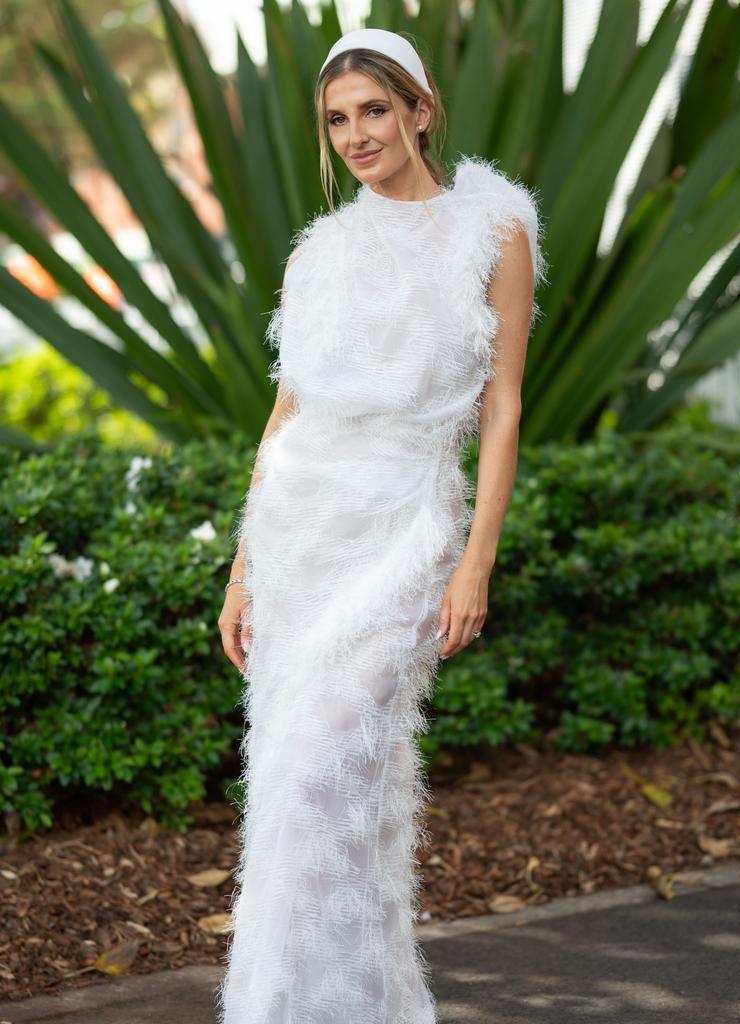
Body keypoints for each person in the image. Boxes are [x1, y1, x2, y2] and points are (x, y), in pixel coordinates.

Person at [215, 26, 546, 1024]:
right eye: (337, 120)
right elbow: (286, 414)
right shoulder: (322, 253)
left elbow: (503, 408)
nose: (357, 134)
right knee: (291, 790)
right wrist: (243, 567)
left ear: (420, 110)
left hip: (404, 530)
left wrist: (474, 560)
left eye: (373, 110)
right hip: (300, 533)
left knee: (324, 770)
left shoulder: (494, 232)